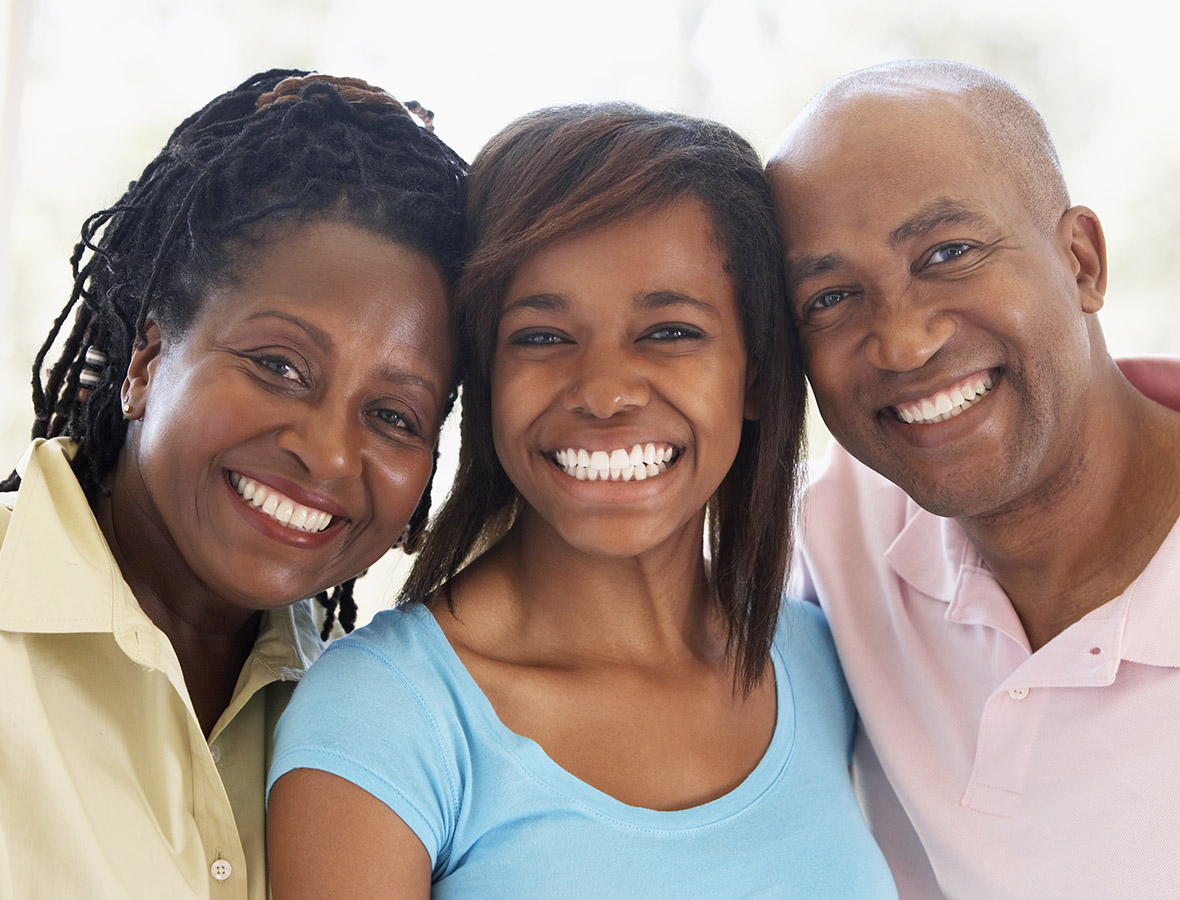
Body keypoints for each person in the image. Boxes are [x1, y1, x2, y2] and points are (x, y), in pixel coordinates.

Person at [266, 103, 899, 899]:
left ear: (759, 377)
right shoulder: (385, 717)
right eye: (541, 335)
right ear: (488, 378)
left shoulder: (819, 659)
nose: (602, 393)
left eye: (669, 332)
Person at [0, 69, 465, 900]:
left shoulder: (379, 730)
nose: (326, 455)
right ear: (146, 360)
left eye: (395, 415)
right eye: (278, 365)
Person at [766, 59, 1180, 900]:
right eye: (829, 297)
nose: (903, 342)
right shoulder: (839, 527)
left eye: (949, 251)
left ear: (1081, 262)